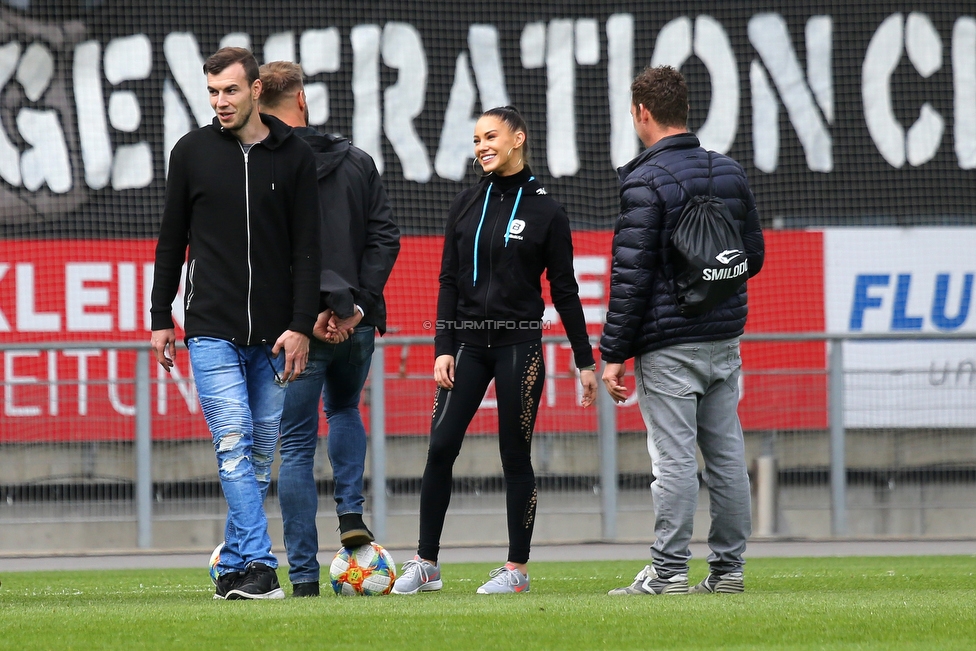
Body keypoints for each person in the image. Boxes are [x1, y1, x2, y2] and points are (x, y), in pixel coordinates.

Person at [391, 106, 599, 596]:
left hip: (519, 347)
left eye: (491, 136)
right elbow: (447, 280)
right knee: (440, 448)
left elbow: (565, 292)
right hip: (465, 347)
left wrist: (584, 360)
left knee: (514, 456)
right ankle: (427, 564)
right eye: (476, 138)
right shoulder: (464, 203)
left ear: (517, 139)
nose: (482, 145)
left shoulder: (547, 209)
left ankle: (517, 570)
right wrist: (442, 346)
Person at [150, 47, 320, 600]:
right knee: (232, 445)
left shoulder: (294, 155)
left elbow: (308, 251)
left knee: (259, 456)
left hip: (276, 337)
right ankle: (262, 567)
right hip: (210, 329)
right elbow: (171, 242)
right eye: (213, 92)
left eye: (229, 90)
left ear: (254, 91)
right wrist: (160, 317)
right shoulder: (191, 152)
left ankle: (233, 569)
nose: (221, 102)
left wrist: (300, 325)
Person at [600, 66, 764, 596]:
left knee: (672, 460)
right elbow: (752, 257)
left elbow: (631, 277)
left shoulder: (643, 181)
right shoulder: (730, 171)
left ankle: (668, 573)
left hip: (669, 346)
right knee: (726, 458)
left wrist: (613, 354)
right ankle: (728, 572)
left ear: (642, 113)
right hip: (724, 339)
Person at [258, 61, 401, 598]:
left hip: (297, 329)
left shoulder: (263, 168)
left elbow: (272, 256)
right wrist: (355, 309)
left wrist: (312, 311)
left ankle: (302, 578)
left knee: (294, 446)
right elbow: (385, 237)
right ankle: (350, 514)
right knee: (345, 409)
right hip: (356, 327)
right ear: (302, 101)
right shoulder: (357, 160)